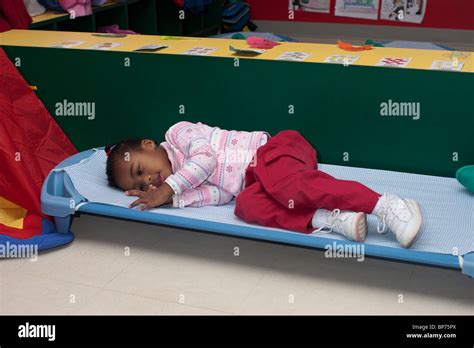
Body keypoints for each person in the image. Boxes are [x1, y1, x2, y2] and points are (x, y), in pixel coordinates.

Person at [105, 121, 422, 248]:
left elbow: (206, 160)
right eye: (139, 183)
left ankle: (387, 205)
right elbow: (220, 193)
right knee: (243, 206)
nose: (147, 180)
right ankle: (329, 217)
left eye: (139, 169)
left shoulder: (178, 135)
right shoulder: (180, 185)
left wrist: (168, 189)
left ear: (148, 145)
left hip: (272, 153)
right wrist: (173, 201)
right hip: (254, 184)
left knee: (287, 187)